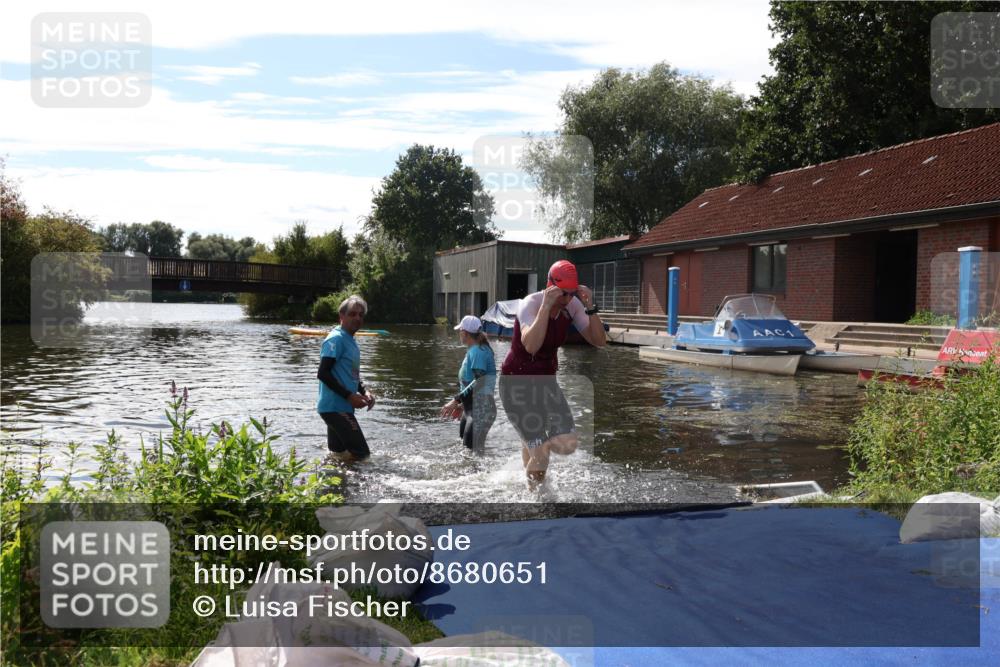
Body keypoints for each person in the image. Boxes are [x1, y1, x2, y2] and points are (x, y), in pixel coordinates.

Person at [498, 260, 606, 488]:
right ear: (550, 287)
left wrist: (590, 306)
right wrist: (546, 308)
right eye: (562, 294)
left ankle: (534, 452)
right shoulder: (531, 304)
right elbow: (531, 345)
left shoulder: (572, 305)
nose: (567, 299)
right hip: (515, 384)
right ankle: (532, 501)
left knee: (566, 442)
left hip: (546, 384)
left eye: (571, 294)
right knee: (540, 455)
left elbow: (599, 341)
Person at [316, 295, 376, 462]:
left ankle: (337, 485)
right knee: (363, 456)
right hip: (336, 408)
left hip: (338, 408)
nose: (357, 317)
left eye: (361, 315)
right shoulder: (336, 339)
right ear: (341, 316)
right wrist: (349, 396)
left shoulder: (349, 339)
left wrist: (364, 391)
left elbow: (351, 375)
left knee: (339, 455)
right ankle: (356, 485)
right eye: (353, 314)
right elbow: (323, 373)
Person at [440, 315, 497, 453]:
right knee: (466, 451)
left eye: (460, 331)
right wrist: (462, 404)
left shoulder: (478, 351)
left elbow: (479, 381)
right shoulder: (474, 350)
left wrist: (455, 400)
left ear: (465, 333)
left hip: (481, 410)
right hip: (470, 409)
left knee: (473, 453)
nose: (459, 333)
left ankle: (484, 474)